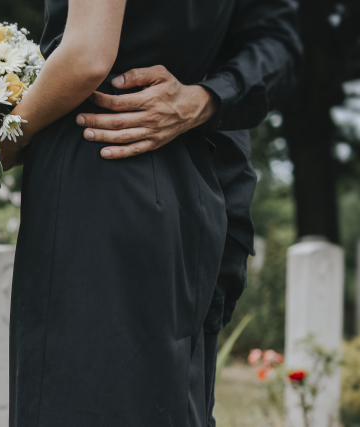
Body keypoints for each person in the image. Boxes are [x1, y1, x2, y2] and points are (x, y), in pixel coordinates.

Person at [0, 0, 295, 424]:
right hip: (201, 182)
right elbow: (275, 40)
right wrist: (205, 98)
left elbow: (87, 57)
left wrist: (2, 138)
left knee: (83, 400)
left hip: (102, 171)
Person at [75, 0, 301, 424]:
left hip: (198, 186)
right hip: (76, 191)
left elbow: (276, 43)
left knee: (173, 404)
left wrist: (204, 98)